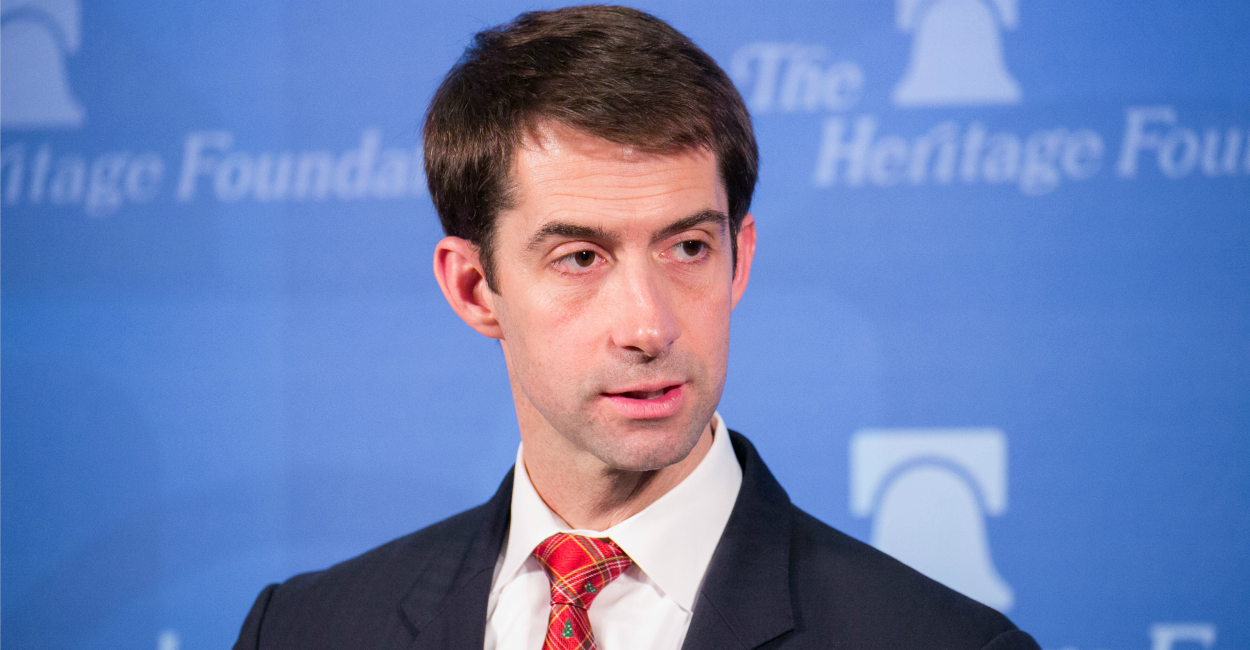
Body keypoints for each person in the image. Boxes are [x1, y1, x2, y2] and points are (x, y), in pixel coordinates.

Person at [233, 6, 1040, 650]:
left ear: (739, 262)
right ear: (475, 288)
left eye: (688, 248)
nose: (649, 327)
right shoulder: (303, 631)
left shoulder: (940, 641)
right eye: (580, 258)